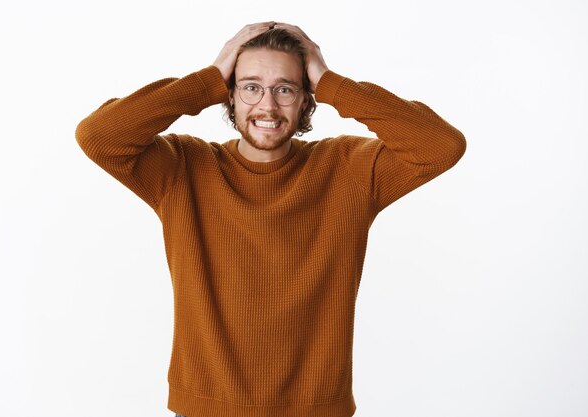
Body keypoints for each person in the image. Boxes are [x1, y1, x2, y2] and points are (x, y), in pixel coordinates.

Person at [75, 21, 466, 417]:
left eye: (284, 89)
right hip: (206, 410)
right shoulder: (182, 168)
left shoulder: (348, 169)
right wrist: (207, 79)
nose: (267, 105)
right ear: (229, 95)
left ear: (306, 100)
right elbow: (99, 136)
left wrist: (331, 82)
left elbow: (441, 147)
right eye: (250, 87)